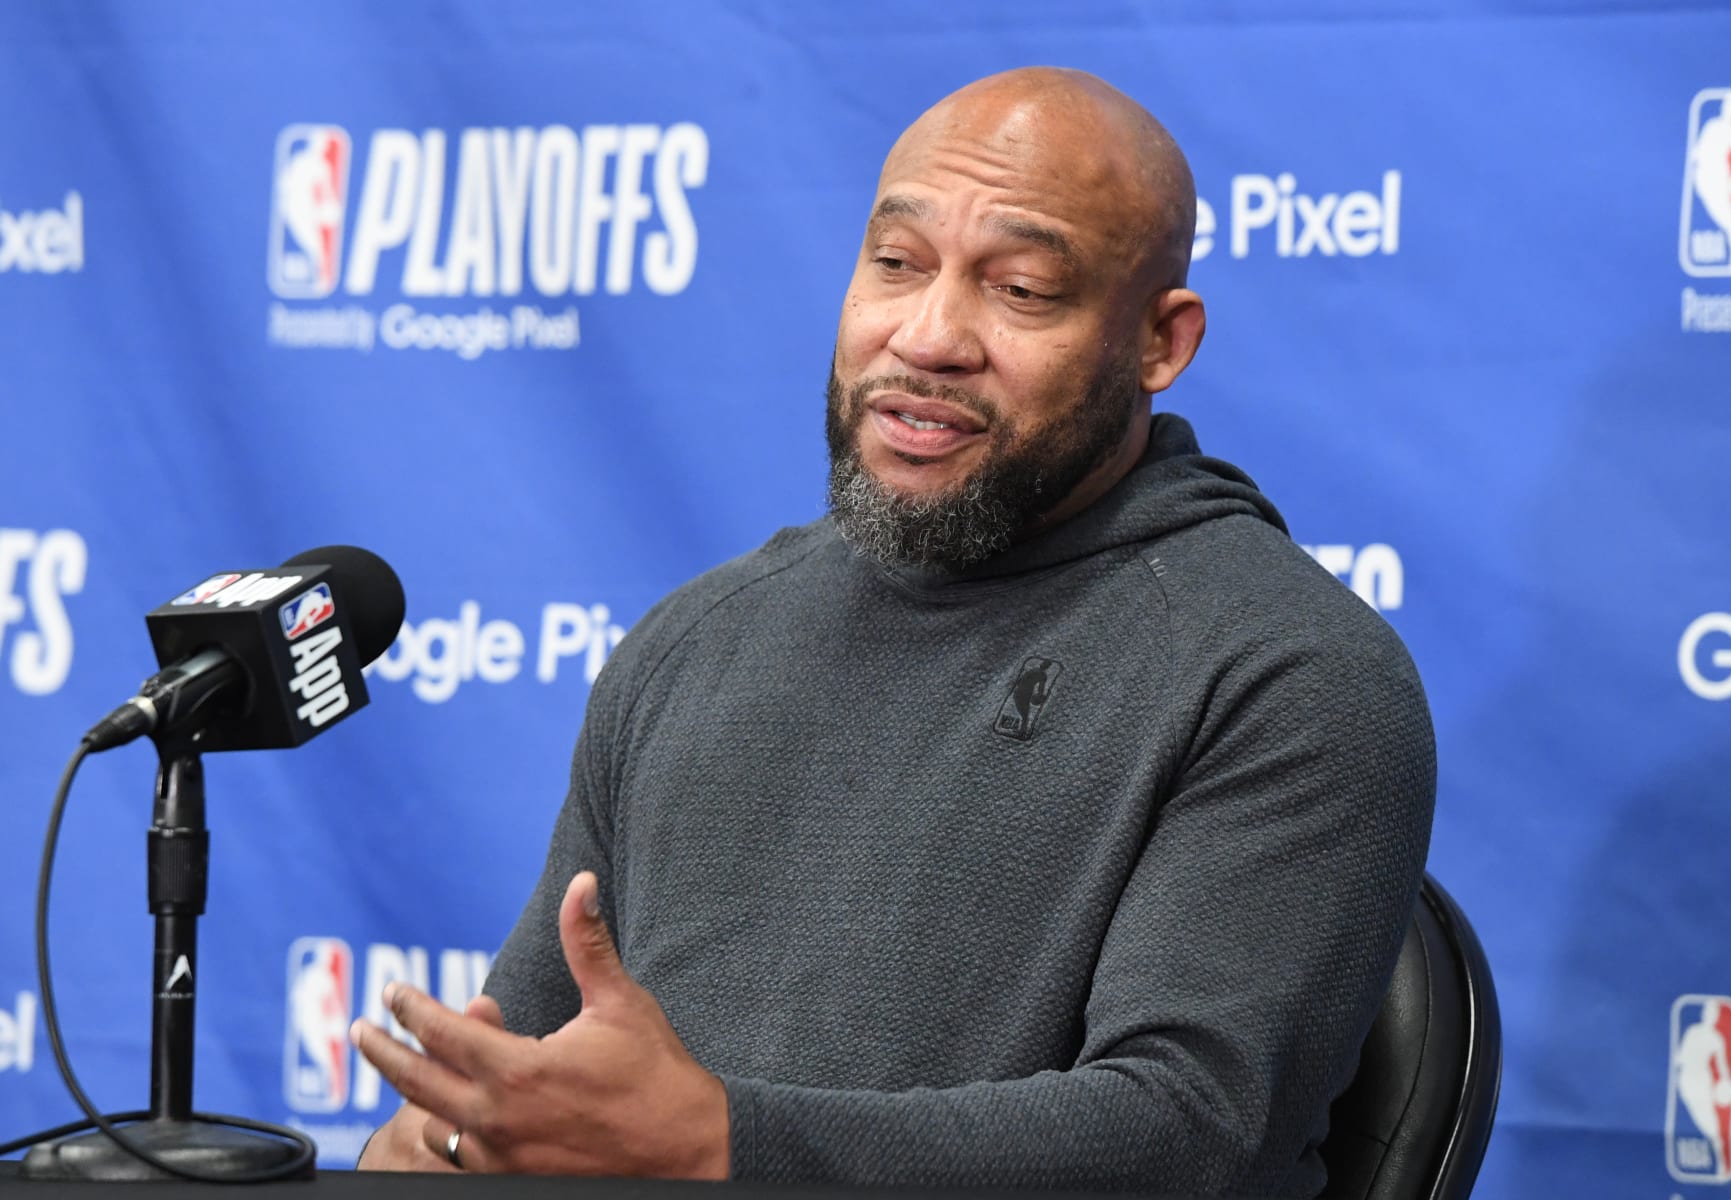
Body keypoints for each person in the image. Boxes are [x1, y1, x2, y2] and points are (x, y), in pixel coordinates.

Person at [352, 66, 1434, 1198]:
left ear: (1160, 343)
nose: (927, 337)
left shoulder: (1287, 672)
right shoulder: (698, 640)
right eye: (897, 263)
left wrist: (722, 1143)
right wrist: (438, 1140)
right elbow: (519, 1068)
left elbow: (1190, 1139)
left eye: (1020, 289)